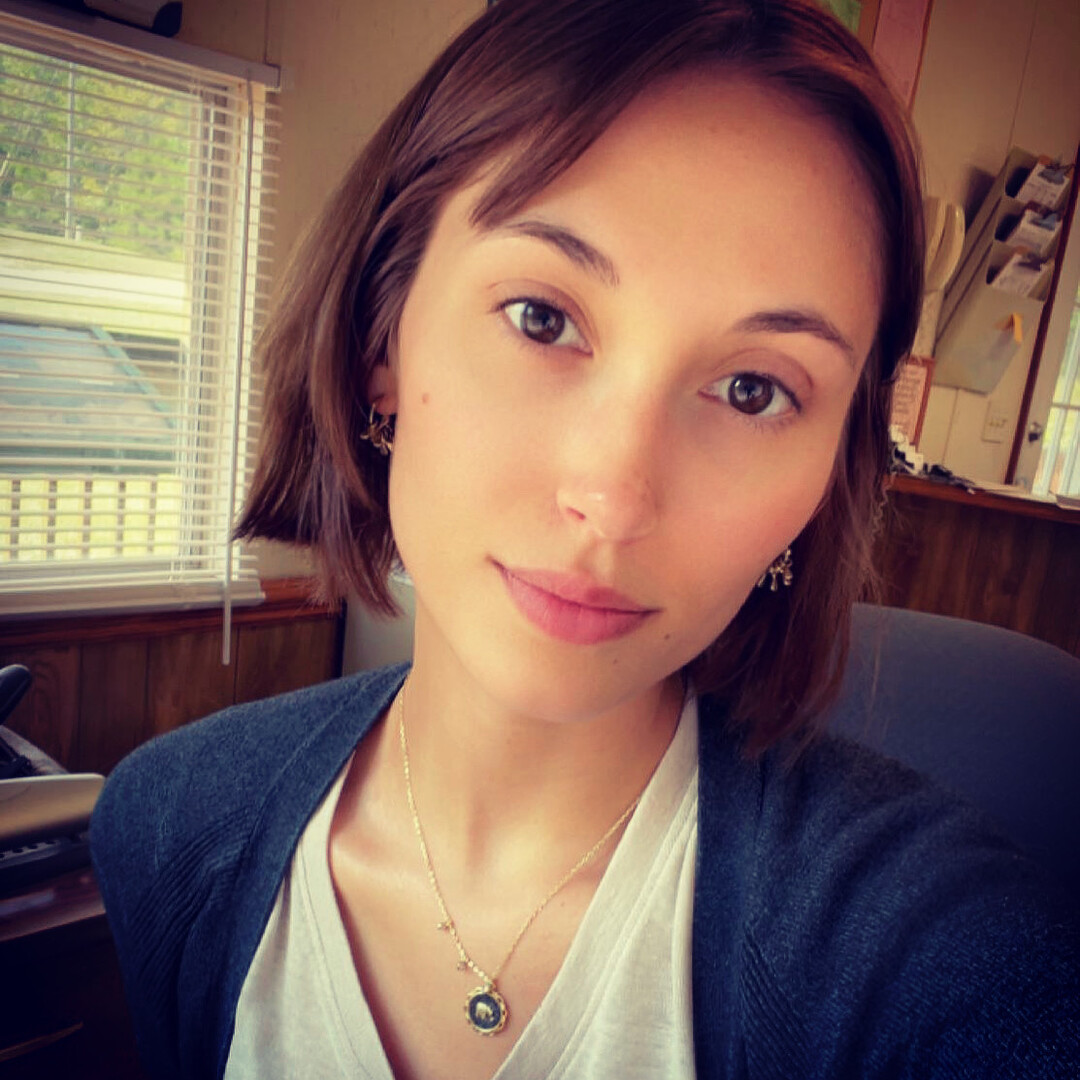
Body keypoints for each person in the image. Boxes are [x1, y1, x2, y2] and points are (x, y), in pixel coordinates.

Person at [90, 1, 1080, 1078]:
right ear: (384, 343)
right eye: (542, 318)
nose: (613, 498)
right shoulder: (170, 826)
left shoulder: (950, 962)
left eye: (754, 390)